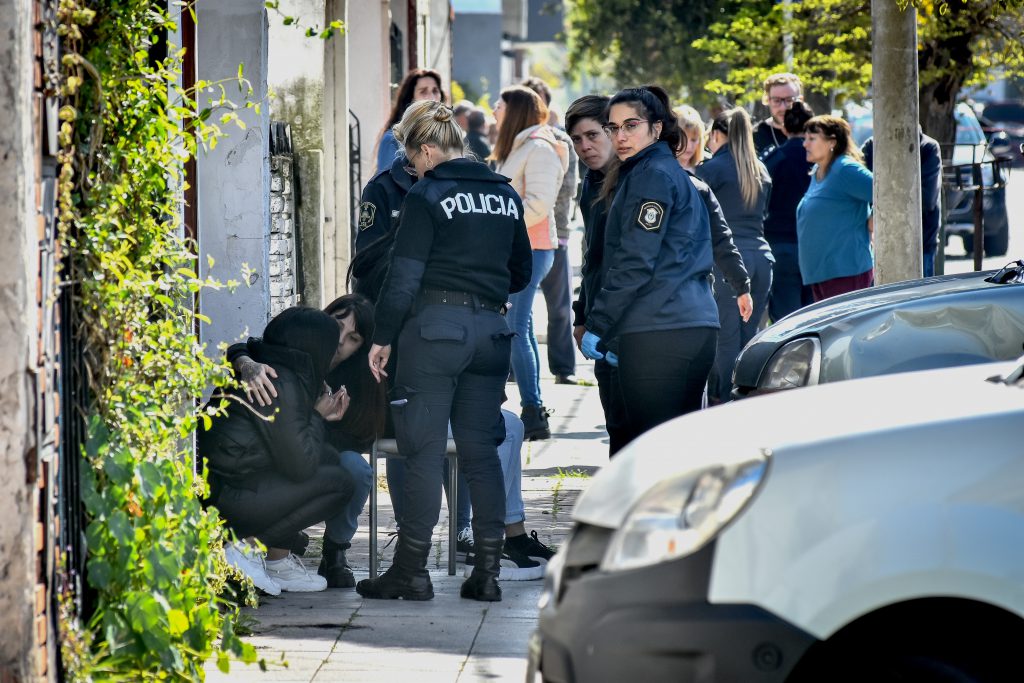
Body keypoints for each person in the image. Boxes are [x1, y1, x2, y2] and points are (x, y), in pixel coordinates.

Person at [349, 140, 551, 582]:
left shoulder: (427, 193)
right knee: (481, 452)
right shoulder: (504, 193)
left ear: (426, 150)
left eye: (412, 160)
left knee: (422, 450)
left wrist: (382, 337)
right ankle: (488, 574)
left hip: (437, 328)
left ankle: (411, 572)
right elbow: (520, 271)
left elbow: (401, 278)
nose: (412, 170)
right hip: (492, 331)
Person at [580, 86, 719, 447]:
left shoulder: (651, 175)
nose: (620, 136)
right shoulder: (664, 171)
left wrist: (600, 322)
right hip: (688, 323)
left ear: (656, 128)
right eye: (613, 128)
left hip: (660, 331)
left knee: (649, 450)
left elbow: (635, 260)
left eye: (631, 125)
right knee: (675, 448)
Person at [227, 295, 382, 588]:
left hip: (318, 454)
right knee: (302, 465)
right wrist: (245, 362)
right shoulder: (295, 350)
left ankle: (334, 550)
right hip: (271, 459)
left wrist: (318, 419)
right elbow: (250, 346)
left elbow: (354, 438)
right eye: (337, 326)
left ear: (361, 348)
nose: (339, 341)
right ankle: (262, 549)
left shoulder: (358, 380)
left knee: (353, 473)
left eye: (353, 338)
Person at [200, 307, 357, 594]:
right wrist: (319, 417)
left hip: (229, 484)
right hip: (226, 495)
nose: (338, 348)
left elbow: (302, 453)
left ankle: (277, 563)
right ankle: (243, 551)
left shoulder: (275, 367)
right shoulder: (280, 381)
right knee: (341, 483)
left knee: (332, 461)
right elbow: (301, 466)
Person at [491, 85, 569, 439]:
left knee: (515, 329)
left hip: (532, 249)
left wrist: (494, 215)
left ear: (516, 111)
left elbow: (538, 204)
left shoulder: (538, 148)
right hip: (521, 247)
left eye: (500, 105)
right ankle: (533, 408)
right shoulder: (523, 145)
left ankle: (533, 412)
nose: (494, 109)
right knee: (519, 327)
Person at [566, 95, 630, 456]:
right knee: (616, 424)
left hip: (635, 319)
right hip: (601, 318)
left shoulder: (635, 180)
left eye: (592, 135)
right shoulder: (590, 182)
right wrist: (582, 313)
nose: (585, 146)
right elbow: (592, 255)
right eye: (577, 139)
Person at [698, 107, 774, 404]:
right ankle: (747, 401)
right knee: (750, 338)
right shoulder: (761, 170)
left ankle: (721, 404)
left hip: (729, 262)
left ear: (717, 135)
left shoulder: (712, 169)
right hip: (761, 258)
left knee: (726, 340)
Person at [522, 77, 583, 386]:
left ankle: (563, 368)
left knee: (559, 309)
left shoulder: (560, 141)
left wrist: (551, 222)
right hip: (520, 237)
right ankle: (513, 367)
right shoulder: (513, 142)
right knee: (518, 309)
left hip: (553, 234)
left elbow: (568, 188)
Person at [797, 115, 874, 301]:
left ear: (832, 141)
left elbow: (886, 194)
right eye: (805, 138)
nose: (805, 144)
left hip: (845, 272)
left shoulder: (845, 169)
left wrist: (872, 222)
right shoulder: (818, 170)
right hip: (822, 275)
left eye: (812, 139)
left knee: (848, 331)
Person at [861, 126, 943, 277]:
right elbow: (861, 190)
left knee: (920, 298)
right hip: (880, 242)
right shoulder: (872, 146)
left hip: (920, 242)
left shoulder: (927, 147)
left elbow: (926, 200)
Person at [763, 101, 816, 321]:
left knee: (787, 320)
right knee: (816, 315)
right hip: (814, 247)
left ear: (784, 128)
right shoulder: (820, 161)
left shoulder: (773, 159)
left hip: (780, 244)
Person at [375, 69, 445, 174]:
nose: (431, 97)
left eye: (435, 91)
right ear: (411, 99)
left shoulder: (447, 138)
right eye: (423, 91)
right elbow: (388, 185)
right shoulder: (393, 140)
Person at [753, 73, 804, 160]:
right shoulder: (754, 136)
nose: (783, 107)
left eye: (789, 100)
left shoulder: (815, 132)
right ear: (768, 100)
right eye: (776, 101)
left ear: (801, 100)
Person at [674, 105, 706, 172]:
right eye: (683, 139)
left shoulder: (705, 171)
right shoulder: (657, 168)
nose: (689, 146)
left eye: (693, 140)